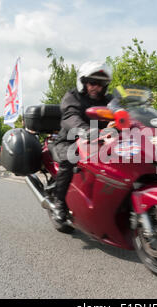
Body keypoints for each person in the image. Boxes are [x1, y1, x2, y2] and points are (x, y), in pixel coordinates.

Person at [53, 61, 113, 223]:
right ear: (84, 82)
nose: (96, 87)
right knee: (69, 159)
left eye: (100, 84)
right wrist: (86, 131)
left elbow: (123, 112)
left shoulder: (109, 100)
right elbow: (70, 117)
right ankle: (59, 203)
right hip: (70, 140)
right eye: (93, 82)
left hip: (101, 142)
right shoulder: (72, 97)